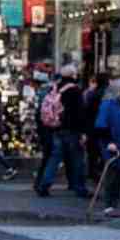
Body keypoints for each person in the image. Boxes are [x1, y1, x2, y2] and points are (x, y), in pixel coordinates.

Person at [36, 64, 88, 198]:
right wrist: (83, 131)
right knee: (77, 159)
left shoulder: (56, 88)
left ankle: (44, 186)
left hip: (57, 128)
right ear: (73, 75)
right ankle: (80, 188)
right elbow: (80, 113)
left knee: (54, 159)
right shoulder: (75, 90)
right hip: (72, 130)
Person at [94, 87, 120, 217]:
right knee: (113, 174)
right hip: (113, 145)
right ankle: (110, 205)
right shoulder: (108, 105)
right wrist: (109, 143)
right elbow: (100, 126)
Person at [85, 73, 111, 181]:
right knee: (104, 152)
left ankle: (93, 172)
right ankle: (103, 173)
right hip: (104, 127)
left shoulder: (91, 94)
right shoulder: (108, 94)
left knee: (93, 152)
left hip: (92, 126)